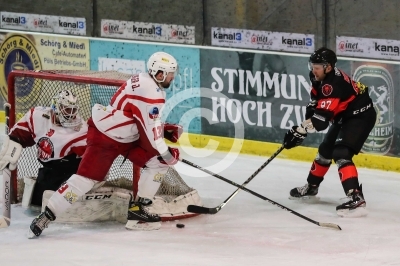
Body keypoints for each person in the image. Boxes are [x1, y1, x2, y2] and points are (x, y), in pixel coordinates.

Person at [27, 51, 183, 238]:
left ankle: (137, 212)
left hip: (120, 134)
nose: (173, 77)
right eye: (170, 73)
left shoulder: (141, 79)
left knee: (155, 163)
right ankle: (48, 214)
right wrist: (168, 155)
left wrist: (163, 129)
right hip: (107, 138)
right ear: (159, 73)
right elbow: (150, 136)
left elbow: (135, 117)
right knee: (87, 179)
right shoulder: (153, 94)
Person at [283, 47, 377, 217]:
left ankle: (356, 198)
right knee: (325, 151)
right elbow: (315, 104)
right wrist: (303, 127)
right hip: (344, 116)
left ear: (328, 67)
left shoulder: (332, 85)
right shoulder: (318, 76)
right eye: (312, 66)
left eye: (317, 66)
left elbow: (321, 122)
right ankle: (311, 187)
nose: (313, 70)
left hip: (360, 115)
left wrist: (301, 130)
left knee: (341, 152)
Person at [0, 90, 87, 207]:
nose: (70, 113)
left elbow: (91, 156)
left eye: (72, 109)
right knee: (37, 202)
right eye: (66, 109)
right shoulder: (38, 116)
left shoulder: (81, 129)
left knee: (61, 205)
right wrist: (11, 149)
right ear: (56, 107)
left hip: (70, 173)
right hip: (50, 170)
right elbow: (19, 135)